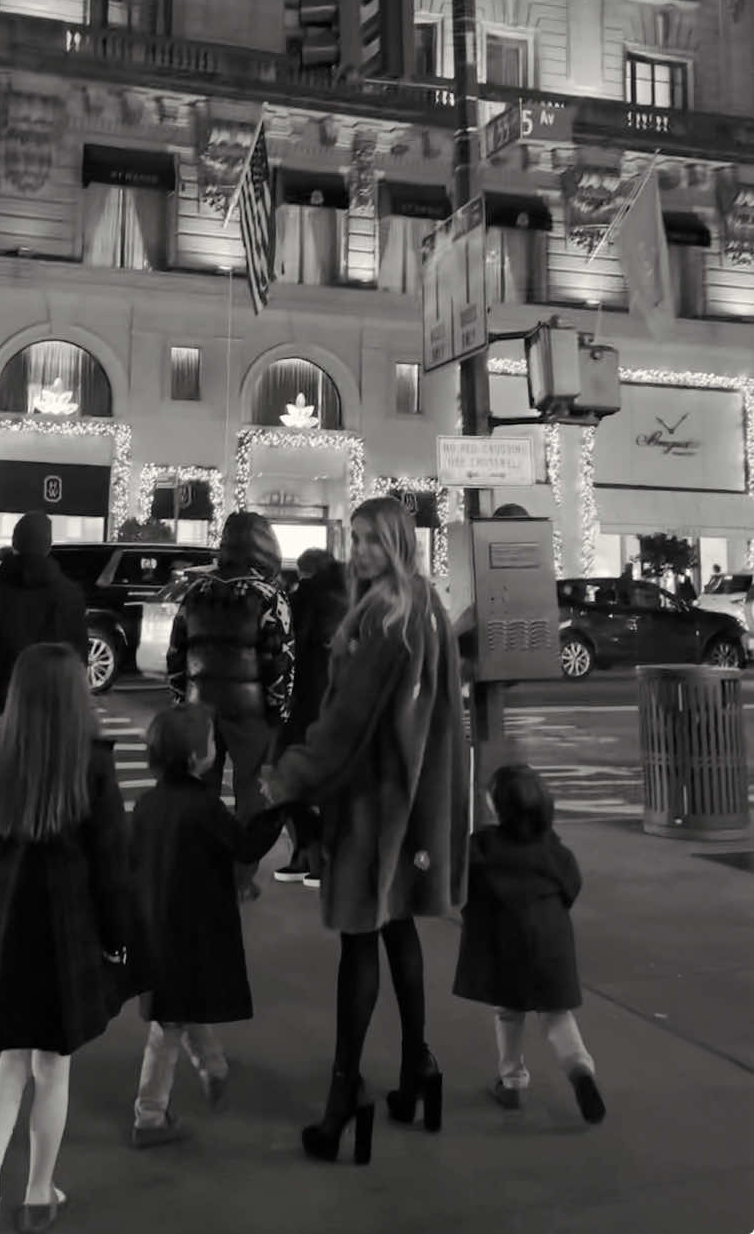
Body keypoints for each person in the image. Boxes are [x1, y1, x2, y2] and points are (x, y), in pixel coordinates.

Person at [259, 497, 468, 1166]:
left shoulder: (384, 618)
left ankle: (344, 1094)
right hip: (408, 798)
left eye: (374, 539)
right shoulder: (424, 606)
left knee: (359, 938)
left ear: (399, 542)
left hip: (371, 801)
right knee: (397, 927)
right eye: (355, 538)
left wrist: (287, 778)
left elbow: (346, 724)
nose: (361, 550)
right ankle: (417, 1066)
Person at [0, 643, 136, 1233]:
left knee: (10, 1062)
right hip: (67, 926)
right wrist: (118, 936)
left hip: (5, 920)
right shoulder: (93, 765)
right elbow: (111, 864)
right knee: (52, 1068)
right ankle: (37, 1194)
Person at [128, 703, 286, 1148]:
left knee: (178, 1008)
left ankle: (214, 1068)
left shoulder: (146, 805)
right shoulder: (205, 807)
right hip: (194, 930)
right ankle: (149, 1116)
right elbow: (244, 846)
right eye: (213, 741)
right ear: (198, 757)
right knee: (169, 1024)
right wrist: (276, 811)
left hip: (154, 927)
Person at [452, 763, 606, 1126]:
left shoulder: (483, 846)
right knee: (556, 1015)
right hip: (551, 943)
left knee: (508, 1011)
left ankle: (512, 1081)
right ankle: (580, 1068)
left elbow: (461, 886)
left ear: (498, 808)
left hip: (505, 943)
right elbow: (572, 885)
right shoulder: (553, 848)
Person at [166, 510, 294, 901]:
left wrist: (181, 698)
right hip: (250, 712)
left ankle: (202, 871)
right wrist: (279, 710)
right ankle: (239, 876)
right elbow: (280, 660)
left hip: (200, 703)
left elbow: (177, 651)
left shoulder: (197, 591)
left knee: (199, 790)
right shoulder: (269, 594)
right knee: (251, 795)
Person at [273, 548, 348, 885]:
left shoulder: (302, 600)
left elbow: (289, 649)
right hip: (336, 702)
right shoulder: (352, 598)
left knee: (287, 775)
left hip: (303, 701)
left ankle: (309, 851)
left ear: (305, 572)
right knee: (328, 780)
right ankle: (321, 856)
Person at [0, 512, 88, 721]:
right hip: (54, 701)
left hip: (1, 702)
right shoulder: (70, 594)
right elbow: (78, 656)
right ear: (48, 545)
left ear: (14, 543)